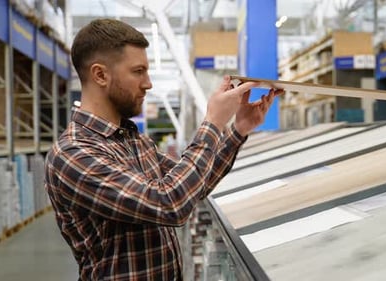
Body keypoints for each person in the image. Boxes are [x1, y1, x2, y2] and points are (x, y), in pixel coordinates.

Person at [44, 18, 280, 281]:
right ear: (100, 74)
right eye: (138, 71)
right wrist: (213, 122)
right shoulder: (74, 153)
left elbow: (193, 186)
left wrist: (238, 131)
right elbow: (169, 204)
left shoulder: (134, 140)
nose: (148, 83)